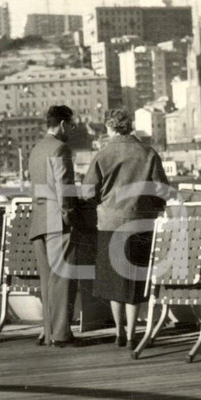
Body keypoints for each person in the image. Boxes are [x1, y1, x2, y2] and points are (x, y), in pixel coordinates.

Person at [82, 108, 170, 349]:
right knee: (134, 280)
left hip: (109, 223)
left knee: (113, 280)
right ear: (130, 126)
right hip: (141, 222)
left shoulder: (103, 154)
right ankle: (132, 335)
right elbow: (162, 190)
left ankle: (119, 332)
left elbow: (88, 192)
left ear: (109, 128)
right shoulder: (148, 152)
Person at [27, 105, 79, 347]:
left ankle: (49, 333)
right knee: (62, 280)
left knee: (47, 281)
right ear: (62, 124)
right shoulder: (61, 148)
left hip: (38, 220)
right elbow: (64, 188)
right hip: (56, 221)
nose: (72, 129)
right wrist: (70, 217)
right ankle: (61, 335)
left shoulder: (36, 149)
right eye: (71, 124)